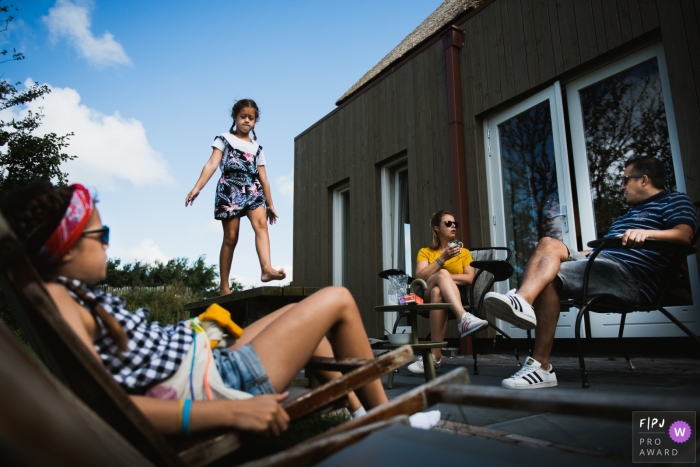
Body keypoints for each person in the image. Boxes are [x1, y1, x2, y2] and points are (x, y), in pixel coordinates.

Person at [1, 182, 387, 436]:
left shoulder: (71, 295)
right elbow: (103, 405)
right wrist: (232, 414)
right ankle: (391, 423)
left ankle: (361, 419)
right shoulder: (60, 299)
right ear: (65, 247)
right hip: (218, 386)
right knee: (337, 299)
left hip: (207, 366)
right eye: (99, 235)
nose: (106, 244)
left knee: (302, 315)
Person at [484, 156, 697, 389]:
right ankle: (523, 301)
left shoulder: (673, 201)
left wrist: (647, 234)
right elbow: (601, 251)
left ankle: (540, 365)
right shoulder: (628, 215)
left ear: (644, 180)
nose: (622, 186)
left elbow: (683, 235)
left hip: (629, 276)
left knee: (550, 278)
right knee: (548, 244)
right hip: (604, 262)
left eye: (626, 180)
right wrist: (561, 254)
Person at [185, 99, 285, 295]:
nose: (247, 121)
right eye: (243, 117)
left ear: (255, 121)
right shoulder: (223, 139)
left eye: (251, 118)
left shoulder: (257, 149)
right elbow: (212, 164)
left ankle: (266, 269)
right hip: (230, 188)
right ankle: (224, 285)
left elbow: (264, 178)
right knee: (231, 238)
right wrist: (197, 187)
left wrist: (270, 204)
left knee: (262, 225)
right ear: (235, 118)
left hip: (253, 189)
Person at [407, 210, 488, 375]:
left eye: (455, 224)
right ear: (436, 228)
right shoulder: (425, 251)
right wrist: (442, 259)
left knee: (439, 291)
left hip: (453, 295)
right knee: (440, 278)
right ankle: (462, 317)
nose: (453, 227)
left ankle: (435, 355)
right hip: (425, 294)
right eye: (448, 223)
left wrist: (445, 281)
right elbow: (420, 276)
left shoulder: (464, 253)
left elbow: (469, 278)